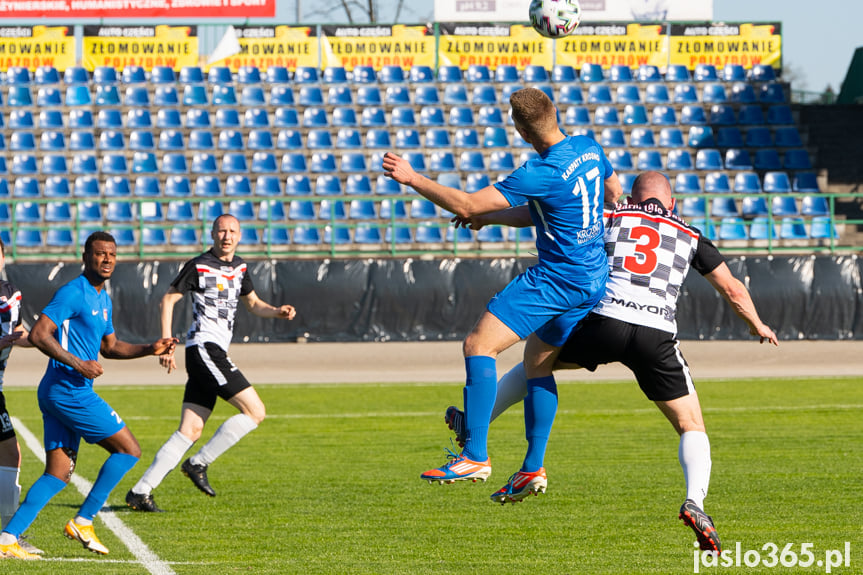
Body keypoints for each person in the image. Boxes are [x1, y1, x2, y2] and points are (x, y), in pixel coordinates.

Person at [445, 171, 778, 554]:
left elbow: (541, 215)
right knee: (691, 425)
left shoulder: (612, 215)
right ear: (671, 203)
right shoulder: (691, 233)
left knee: (537, 362)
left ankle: (479, 428)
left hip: (603, 321)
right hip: (656, 334)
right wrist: (757, 324)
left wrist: (485, 217)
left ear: (633, 196)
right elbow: (732, 288)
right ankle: (695, 502)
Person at [383, 87, 622, 495]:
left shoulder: (539, 170)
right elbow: (610, 194)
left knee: (479, 346)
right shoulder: (588, 147)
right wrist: (493, 221)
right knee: (537, 366)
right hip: (592, 276)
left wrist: (413, 178)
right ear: (555, 113)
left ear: (521, 130)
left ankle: (474, 455)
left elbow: (465, 204)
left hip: (557, 278)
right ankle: (532, 468)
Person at [0, 231, 177, 560]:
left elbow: (110, 347)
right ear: (86, 257)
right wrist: (78, 363)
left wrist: (149, 348)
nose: (107, 259)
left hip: (61, 390)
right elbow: (40, 334)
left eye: (112, 254)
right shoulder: (73, 292)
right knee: (129, 450)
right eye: (100, 253)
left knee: (58, 474)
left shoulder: (103, 299)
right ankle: (84, 519)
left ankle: (7, 538)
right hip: (68, 389)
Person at [126, 214, 297, 512]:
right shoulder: (199, 265)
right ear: (212, 233)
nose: (226, 236)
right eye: (221, 231)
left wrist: (277, 311)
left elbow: (254, 304)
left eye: (232, 231)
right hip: (205, 348)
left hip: (210, 352)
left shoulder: (241, 267)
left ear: (240, 235)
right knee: (256, 411)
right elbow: (168, 300)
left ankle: (140, 492)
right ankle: (198, 463)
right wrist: (166, 342)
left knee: (190, 430)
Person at [0, 237, 43, 556]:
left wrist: (49, 342)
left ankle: (7, 533)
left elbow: (20, 335)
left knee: (10, 455)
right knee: (11, 454)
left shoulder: (11, 292)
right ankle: (7, 534)